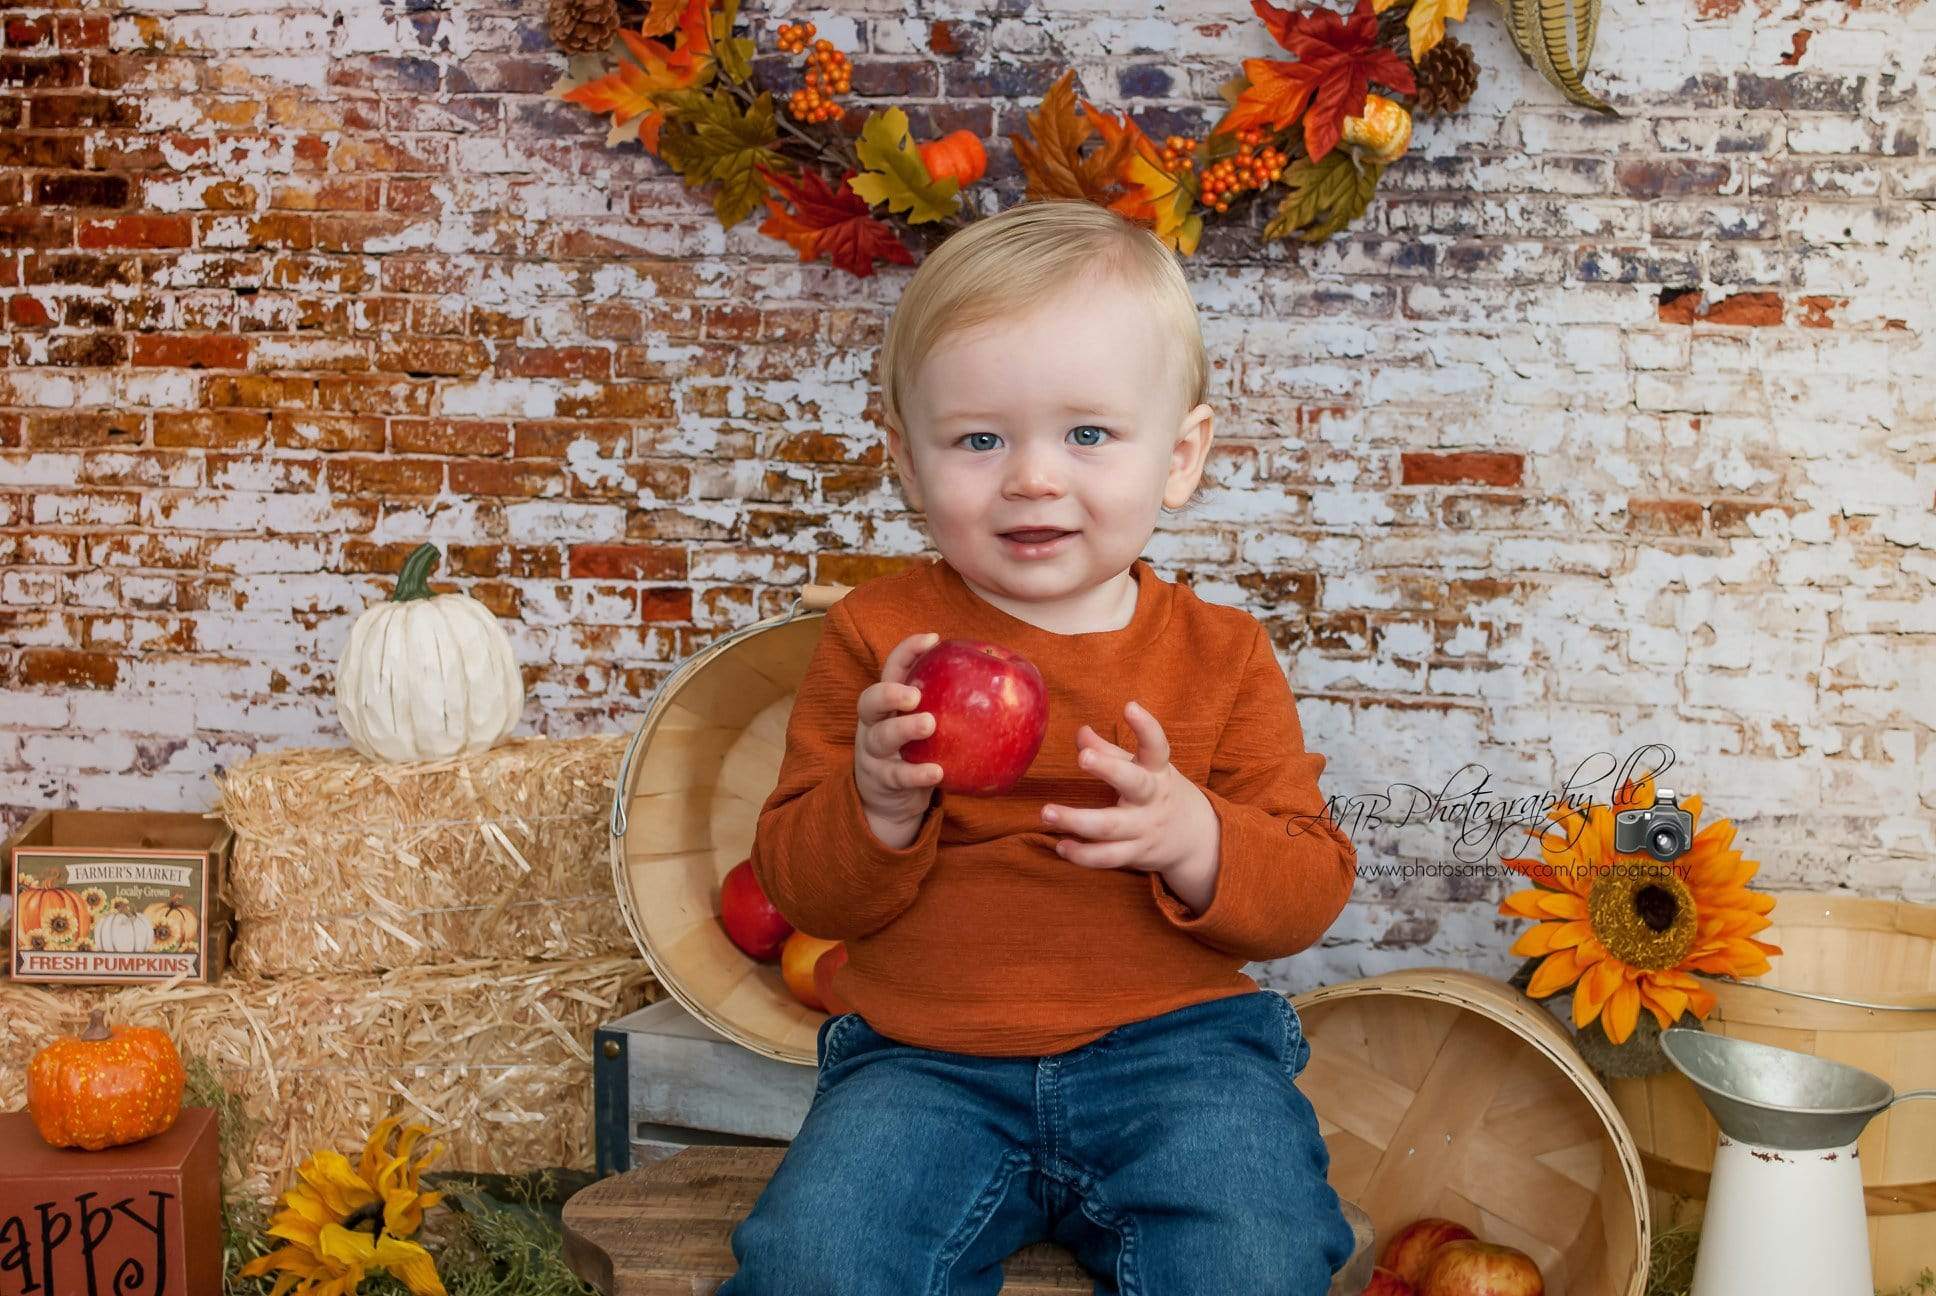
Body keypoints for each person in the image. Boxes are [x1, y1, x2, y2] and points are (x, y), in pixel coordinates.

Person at [717, 199, 1360, 1295]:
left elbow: (1304, 891)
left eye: (1089, 434)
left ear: (1181, 456)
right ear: (907, 466)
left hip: (1182, 1055)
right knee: (813, 1261)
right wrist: (874, 805)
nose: (1031, 477)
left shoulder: (1223, 652)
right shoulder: (882, 644)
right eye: (978, 439)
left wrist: (1192, 834)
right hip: (923, 1062)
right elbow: (805, 889)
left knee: (1260, 1252)